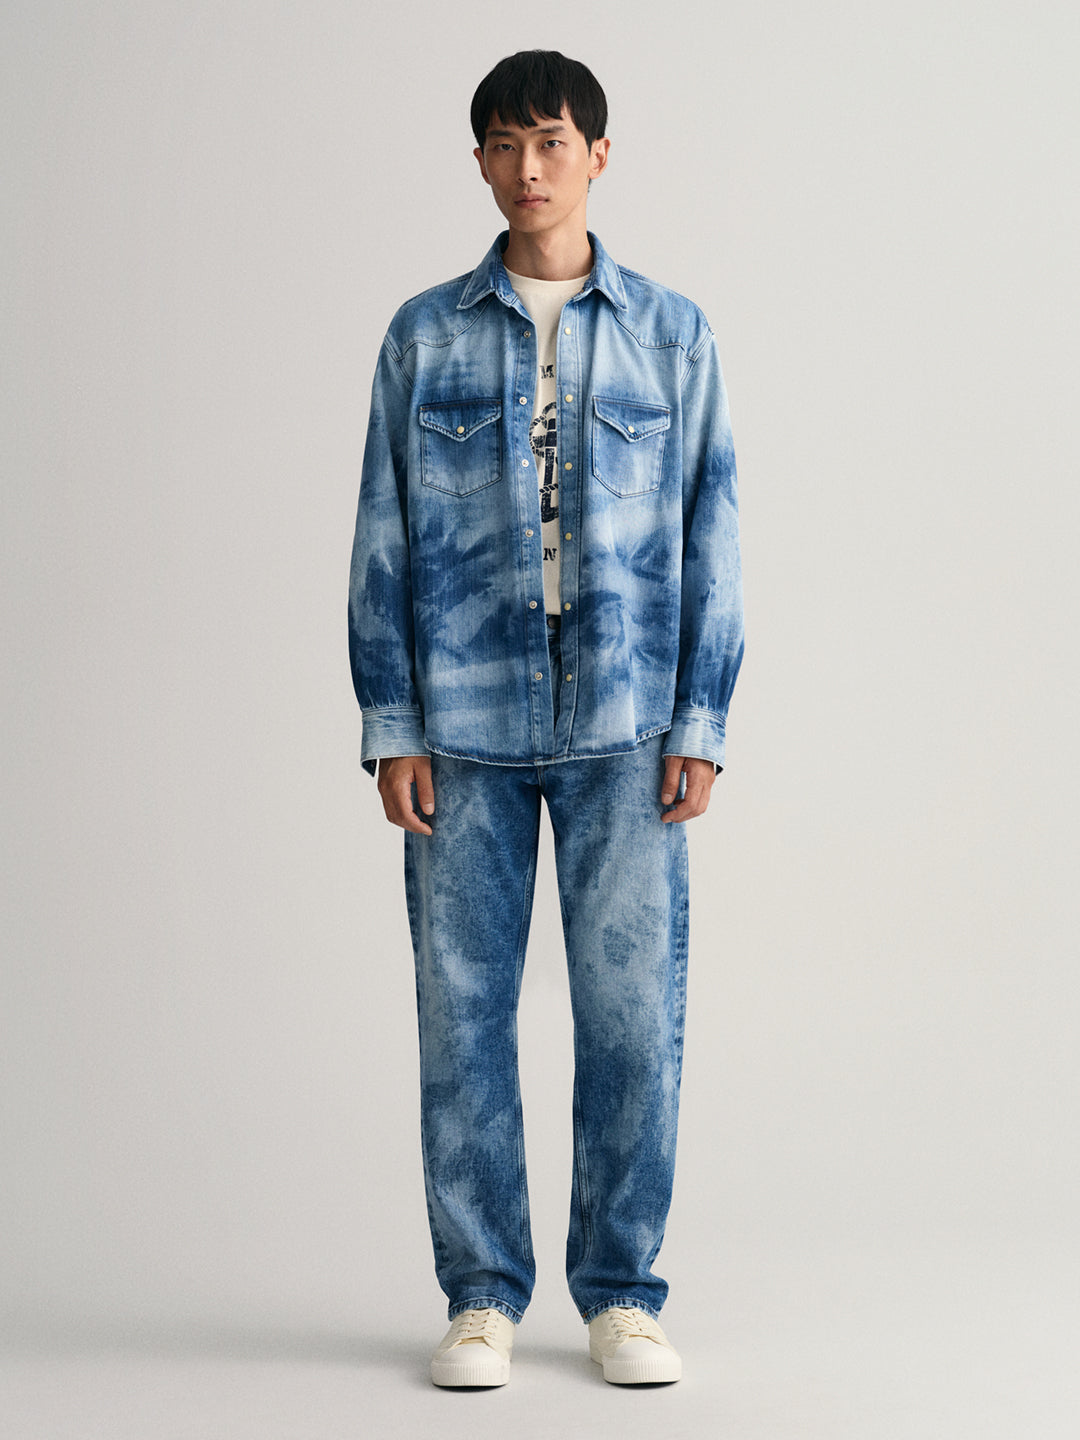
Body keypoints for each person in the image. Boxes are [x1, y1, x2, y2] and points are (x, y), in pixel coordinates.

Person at [348, 49, 743, 1388]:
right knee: (462, 1022)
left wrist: (701, 717)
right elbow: (383, 532)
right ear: (479, 162)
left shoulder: (673, 336)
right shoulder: (422, 337)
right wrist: (393, 717)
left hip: (627, 731)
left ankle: (622, 1292)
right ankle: (481, 1297)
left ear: (598, 157)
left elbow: (713, 525)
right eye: (507, 145)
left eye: (554, 143)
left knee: (633, 1020)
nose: (531, 169)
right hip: (460, 733)